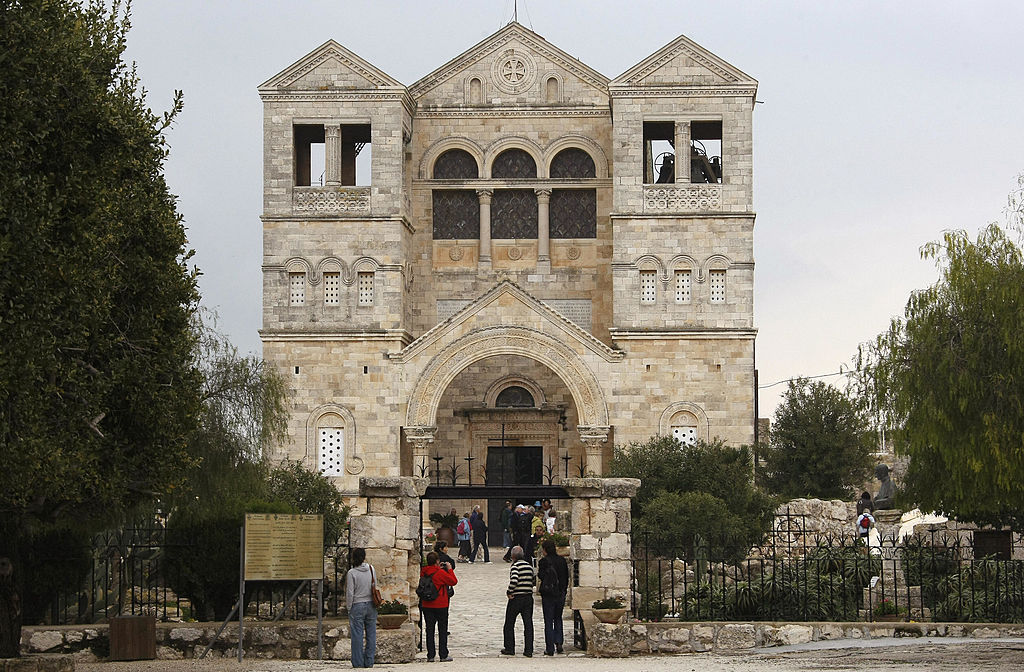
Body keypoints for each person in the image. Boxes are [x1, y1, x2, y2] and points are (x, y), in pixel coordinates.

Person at [419, 551, 458, 662]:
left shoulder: (423, 572)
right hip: (441, 604)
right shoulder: (440, 573)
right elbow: (453, 581)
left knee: (429, 629)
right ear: (437, 561)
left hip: (427, 604)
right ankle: (443, 654)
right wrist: (449, 569)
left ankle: (430, 655)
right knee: (442, 629)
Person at [500, 545, 535, 657]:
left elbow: (514, 579)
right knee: (528, 624)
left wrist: (509, 591)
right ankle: (528, 650)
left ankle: (510, 648)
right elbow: (533, 580)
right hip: (528, 597)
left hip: (517, 598)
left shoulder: (515, 566)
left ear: (513, 556)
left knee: (509, 624)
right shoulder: (529, 566)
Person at [345, 547, 377, 668]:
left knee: (357, 634)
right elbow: (375, 585)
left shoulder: (352, 573)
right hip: (371, 604)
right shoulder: (371, 569)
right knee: (371, 634)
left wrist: (349, 607)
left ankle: (358, 662)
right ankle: (369, 661)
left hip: (357, 604)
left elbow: (350, 592)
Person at [538, 539, 569, 655]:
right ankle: (559, 642)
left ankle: (550, 648)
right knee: (558, 618)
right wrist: (564, 590)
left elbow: (541, 576)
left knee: (548, 620)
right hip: (560, 593)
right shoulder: (562, 560)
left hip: (548, 594)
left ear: (545, 550)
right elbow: (566, 576)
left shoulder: (543, 562)